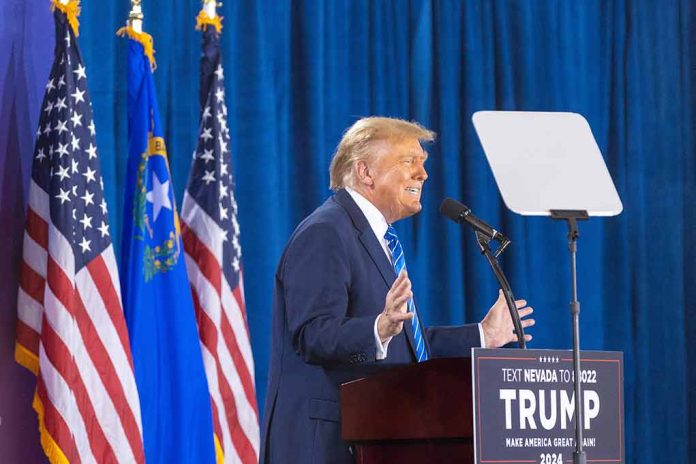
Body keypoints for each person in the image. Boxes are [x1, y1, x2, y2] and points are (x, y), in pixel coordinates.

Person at [260, 117, 535, 463]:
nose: (423, 175)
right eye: (409, 162)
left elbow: (407, 345)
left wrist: (483, 335)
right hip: (325, 446)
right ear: (365, 172)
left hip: (375, 440)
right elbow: (313, 335)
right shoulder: (326, 232)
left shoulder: (377, 240)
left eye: (423, 164)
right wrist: (377, 328)